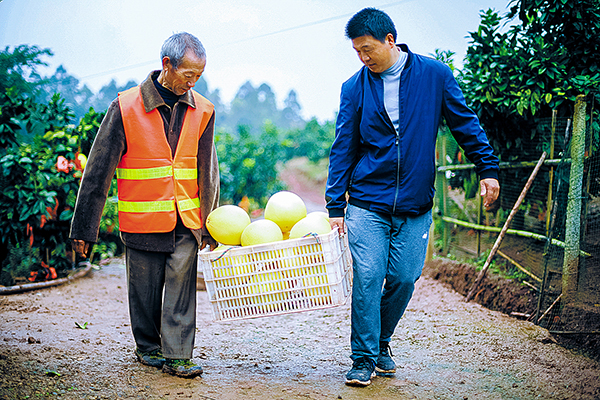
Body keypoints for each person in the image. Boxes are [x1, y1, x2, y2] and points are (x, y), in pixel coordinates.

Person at [326, 8, 500, 387]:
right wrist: (335, 203)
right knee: (369, 276)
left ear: (391, 40)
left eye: (368, 49)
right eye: (356, 52)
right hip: (367, 201)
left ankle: (382, 341)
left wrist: (487, 167)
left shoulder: (433, 75)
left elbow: (464, 122)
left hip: (415, 203)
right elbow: (344, 146)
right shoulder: (354, 87)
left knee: (405, 277)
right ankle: (363, 358)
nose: (363, 57)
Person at [70, 32, 220, 378]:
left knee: (182, 285)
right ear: (167, 64)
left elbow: (207, 168)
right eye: (188, 75)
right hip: (142, 219)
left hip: (186, 216)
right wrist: (84, 229)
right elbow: (97, 171)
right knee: (145, 291)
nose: (193, 83)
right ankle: (148, 346)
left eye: (199, 76)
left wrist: (208, 222)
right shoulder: (125, 106)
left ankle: (179, 355)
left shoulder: (204, 110)